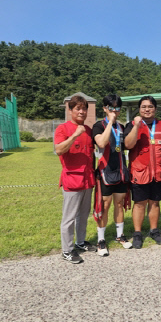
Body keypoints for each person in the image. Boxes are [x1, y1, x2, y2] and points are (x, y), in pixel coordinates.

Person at [124, 95, 161, 249]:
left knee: (155, 203)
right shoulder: (131, 125)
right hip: (139, 173)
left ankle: (154, 230)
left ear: (155, 109)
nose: (147, 109)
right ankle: (137, 233)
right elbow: (128, 145)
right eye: (144, 107)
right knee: (139, 204)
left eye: (150, 106)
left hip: (158, 173)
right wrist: (137, 126)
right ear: (139, 109)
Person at [54, 95, 96, 264]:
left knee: (83, 215)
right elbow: (58, 150)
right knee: (69, 217)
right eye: (77, 108)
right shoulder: (63, 129)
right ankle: (67, 250)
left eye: (84, 108)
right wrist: (74, 136)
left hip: (87, 180)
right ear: (70, 110)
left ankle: (80, 242)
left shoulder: (88, 130)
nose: (81, 111)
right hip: (72, 180)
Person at [92, 94, 132, 256]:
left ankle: (120, 236)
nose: (114, 111)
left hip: (121, 171)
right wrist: (110, 122)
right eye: (111, 108)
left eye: (117, 108)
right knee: (105, 205)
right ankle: (101, 240)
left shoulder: (121, 127)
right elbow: (101, 143)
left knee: (119, 203)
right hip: (105, 172)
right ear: (104, 108)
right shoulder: (98, 126)